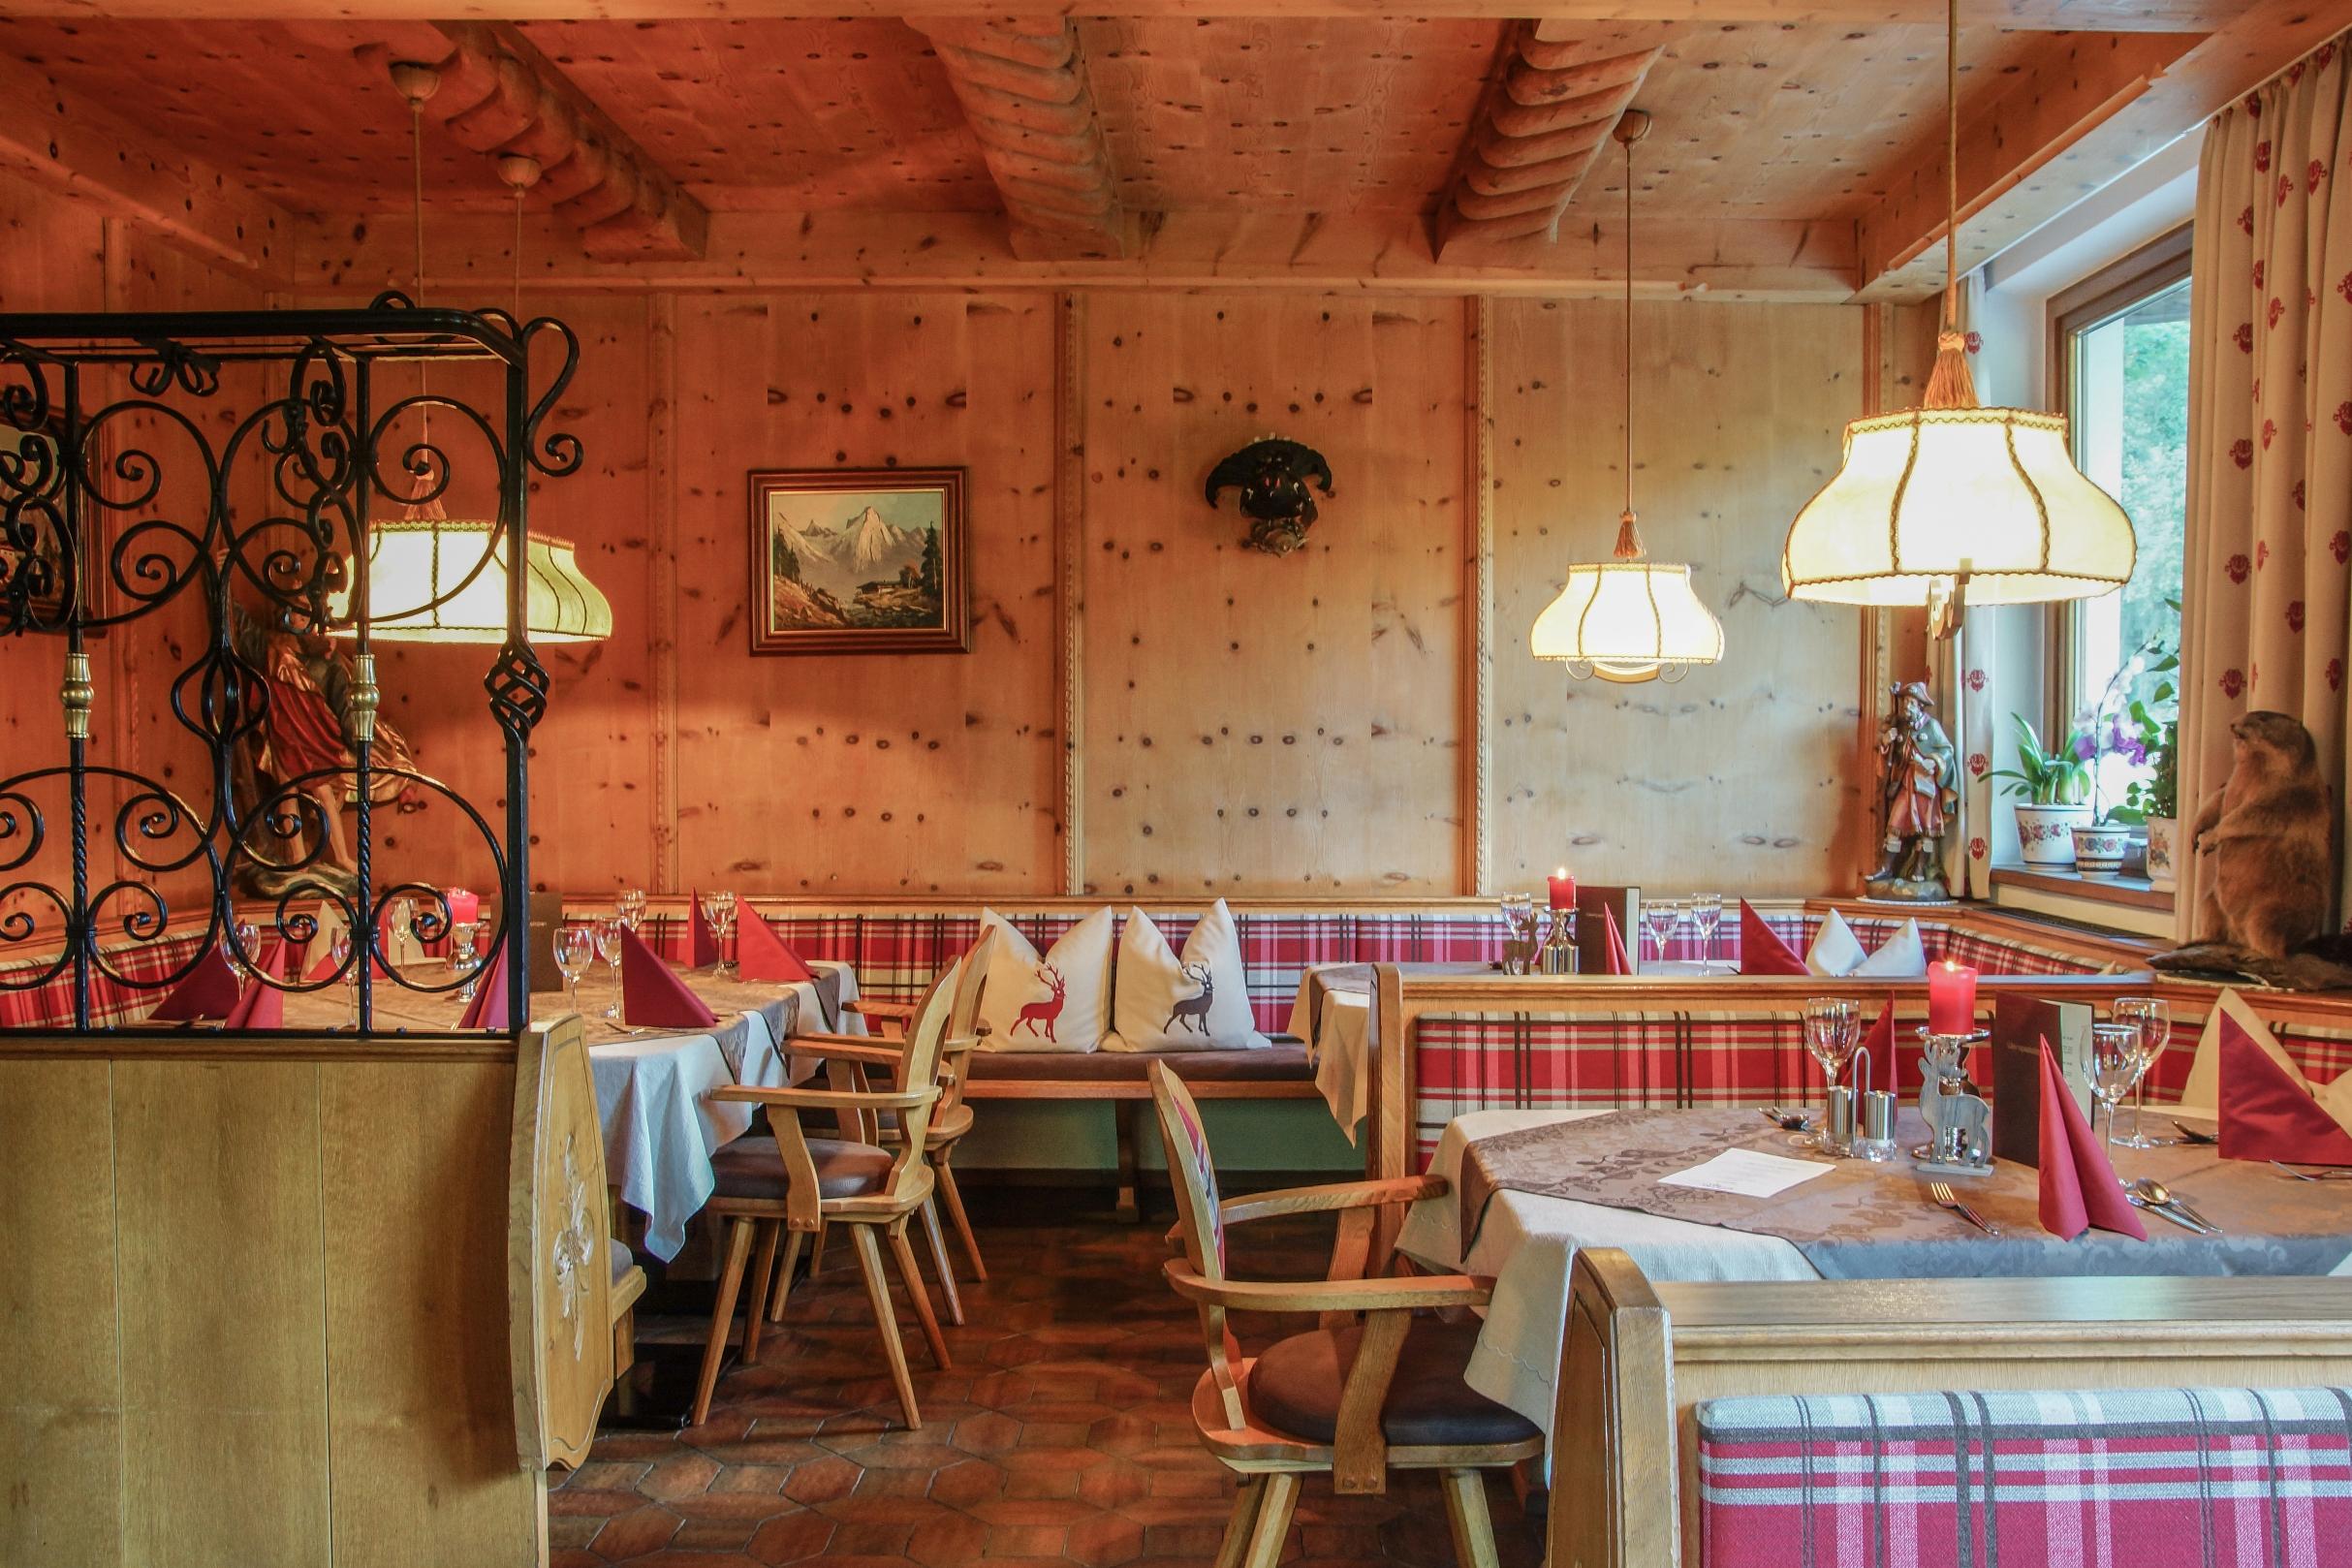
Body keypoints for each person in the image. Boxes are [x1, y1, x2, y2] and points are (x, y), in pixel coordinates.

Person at [1872, 681, 1957, 894]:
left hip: (1925, 786)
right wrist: (1886, 742)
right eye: (1905, 702)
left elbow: (1947, 750)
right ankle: (1885, 868)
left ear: (1920, 705)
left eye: (1911, 703)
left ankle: (1920, 869)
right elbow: (1891, 756)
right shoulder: (1901, 726)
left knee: (1927, 830)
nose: (1906, 707)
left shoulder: (1931, 726)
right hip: (1905, 782)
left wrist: (1932, 761)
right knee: (1894, 824)